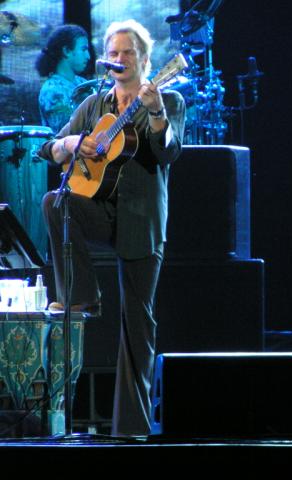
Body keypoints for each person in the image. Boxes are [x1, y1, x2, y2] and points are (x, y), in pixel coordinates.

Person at [38, 19, 186, 437]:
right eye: (114, 53)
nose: (119, 59)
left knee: (137, 323)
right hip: (100, 210)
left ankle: (130, 429)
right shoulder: (95, 105)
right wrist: (70, 144)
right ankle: (80, 296)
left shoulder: (168, 99)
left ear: (145, 59)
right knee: (55, 201)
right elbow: (48, 148)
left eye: (128, 53)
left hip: (142, 220)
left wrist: (155, 112)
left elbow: (169, 152)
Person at [36, 24, 91, 134]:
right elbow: (65, 132)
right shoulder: (51, 90)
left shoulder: (83, 83)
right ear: (66, 51)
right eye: (83, 49)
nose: (88, 56)